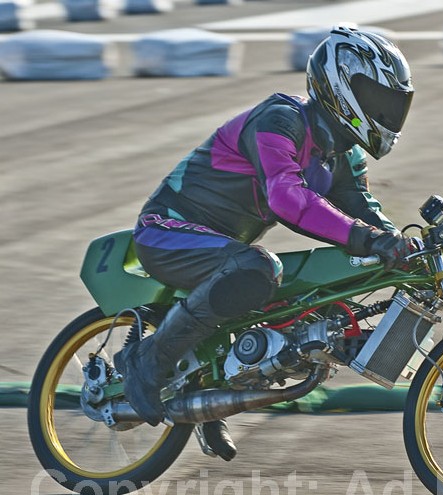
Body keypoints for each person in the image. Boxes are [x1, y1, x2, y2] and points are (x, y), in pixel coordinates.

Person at [114, 26, 416, 461]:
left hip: (221, 250)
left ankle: (205, 387)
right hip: (169, 231)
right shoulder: (281, 119)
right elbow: (287, 196)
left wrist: (400, 247)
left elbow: (365, 213)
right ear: (340, 85)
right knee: (258, 269)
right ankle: (147, 361)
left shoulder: (343, 154)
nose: (387, 113)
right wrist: (364, 237)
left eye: (394, 104)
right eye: (379, 100)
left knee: (308, 290)